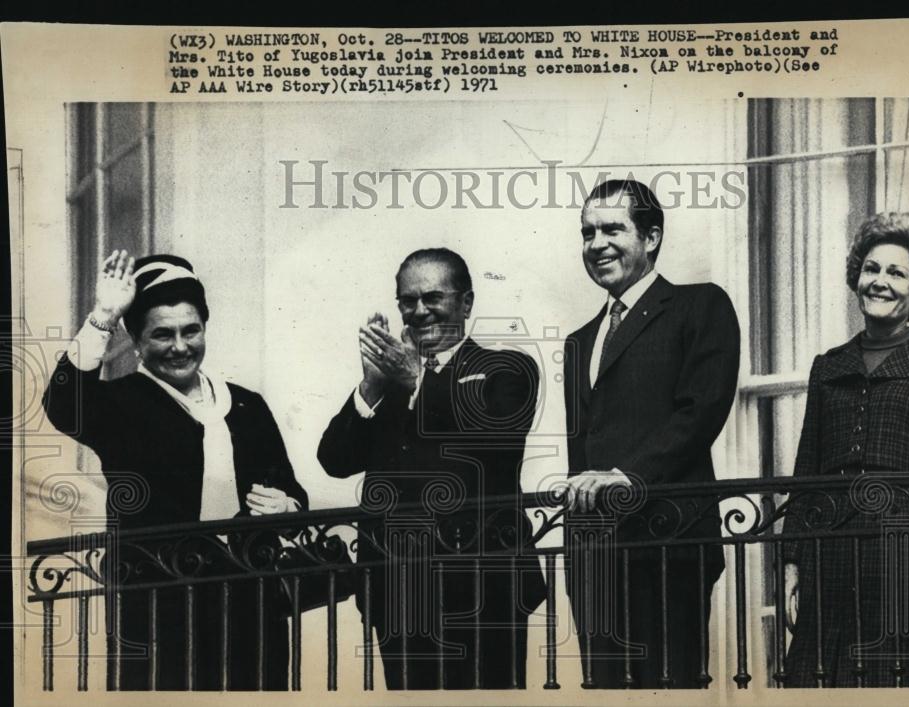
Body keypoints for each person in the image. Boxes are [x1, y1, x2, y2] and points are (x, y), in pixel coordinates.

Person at [43, 251, 308, 689]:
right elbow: (62, 406)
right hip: (157, 608)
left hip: (249, 604)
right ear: (138, 341)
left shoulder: (246, 405)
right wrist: (104, 315)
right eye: (162, 334)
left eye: (191, 331)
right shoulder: (121, 404)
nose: (180, 346)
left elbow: (290, 487)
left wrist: (287, 504)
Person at [317, 248, 545, 689]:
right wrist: (370, 384)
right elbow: (335, 460)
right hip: (396, 592)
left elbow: (494, 442)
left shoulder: (506, 368)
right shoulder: (392, 383)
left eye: (433, 298)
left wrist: (418, 381)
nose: (419, 311)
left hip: (483, 593)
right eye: (408, 300)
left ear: (466, 303)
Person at [561, 179, 741, 688]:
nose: (597, 244)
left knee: (670, 689)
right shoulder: (580, 342)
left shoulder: (699, 306)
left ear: (652, 236)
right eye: (587, 232)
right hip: (596, 560)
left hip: (668, 546)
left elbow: (701, 410)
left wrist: (626, 476)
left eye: (613, 229)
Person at [782, 212, 909, 687]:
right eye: (871, 269)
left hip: (899, 563)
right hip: (828, 558)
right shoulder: (829, 367)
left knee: (892, 683)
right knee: (818, 682)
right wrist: (791, 564)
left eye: (895, 272)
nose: (879, 282)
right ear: (856, 278)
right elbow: (806, 474)